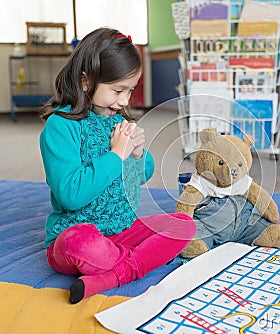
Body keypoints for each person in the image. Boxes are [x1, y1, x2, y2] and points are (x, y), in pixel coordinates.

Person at [39, 27, 196, 304]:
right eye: (117, 90)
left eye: (130, 90)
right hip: (79, 230)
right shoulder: (60, 126)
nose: (124, 101)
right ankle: (137, 264)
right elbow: (70, 195)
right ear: (86, 82)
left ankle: (111, 276)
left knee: (183, 225)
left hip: (123, 229)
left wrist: (137, 154)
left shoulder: (115, 120)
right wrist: (116, 155)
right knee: (77, 242)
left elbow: (142, 175)